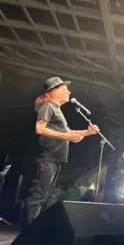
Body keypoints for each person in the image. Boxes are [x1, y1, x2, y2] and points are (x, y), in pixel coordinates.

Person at [25, 77, 99, 224]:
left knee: (45, 197)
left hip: (55, 159)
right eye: (65, 90)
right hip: (47, 158)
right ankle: (28, 234)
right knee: (38, 197)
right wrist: (66, 135)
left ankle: (36, 232)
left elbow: (68, 131)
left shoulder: (56, 110)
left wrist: (87, 132)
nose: (69, 92)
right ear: (54, 91)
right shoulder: (48, 106)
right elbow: (39, 128)